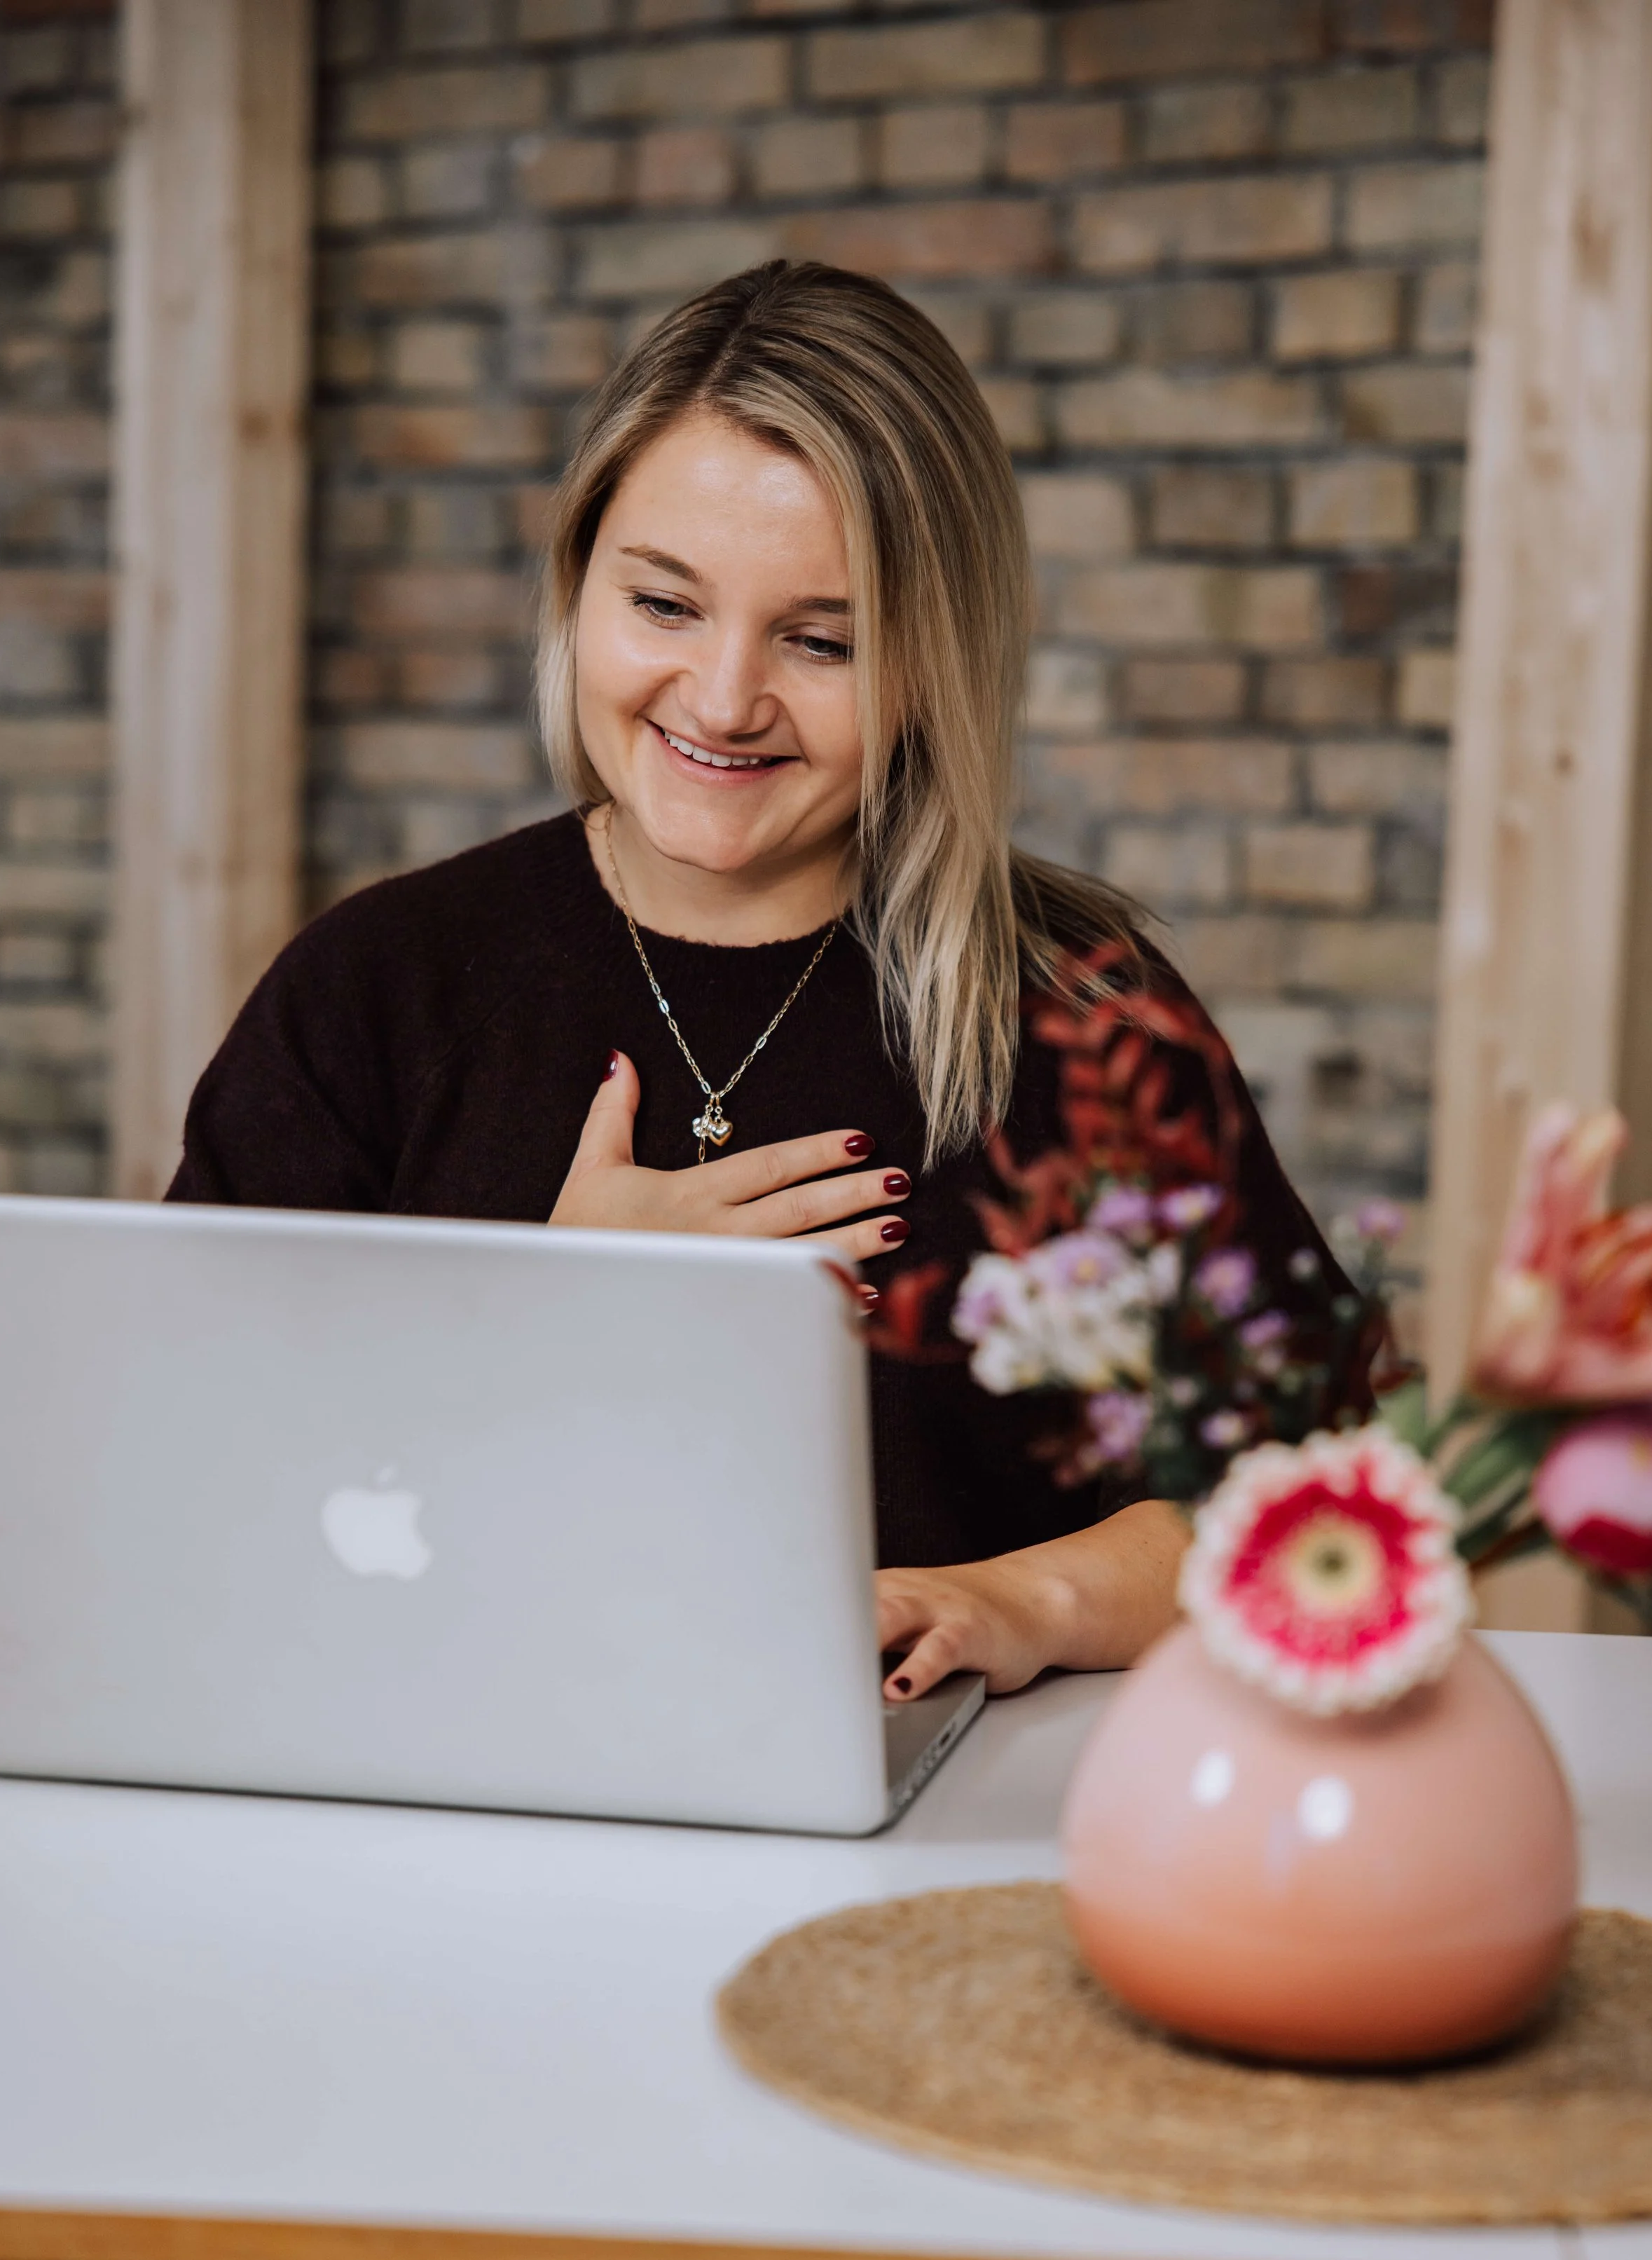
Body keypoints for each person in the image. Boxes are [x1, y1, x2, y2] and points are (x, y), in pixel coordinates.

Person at [170, 259, 1341, 1705]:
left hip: (955, 1819)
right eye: (663, 605)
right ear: (577, 586)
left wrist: (1009, 1598)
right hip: (437, 1782)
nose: (722, 700)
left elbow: (1310, 1498)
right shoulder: (374, 986)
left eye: (821, 639)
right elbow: (185, 1492)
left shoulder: (1084, 1014)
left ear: (934, 660)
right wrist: (537, 1311)